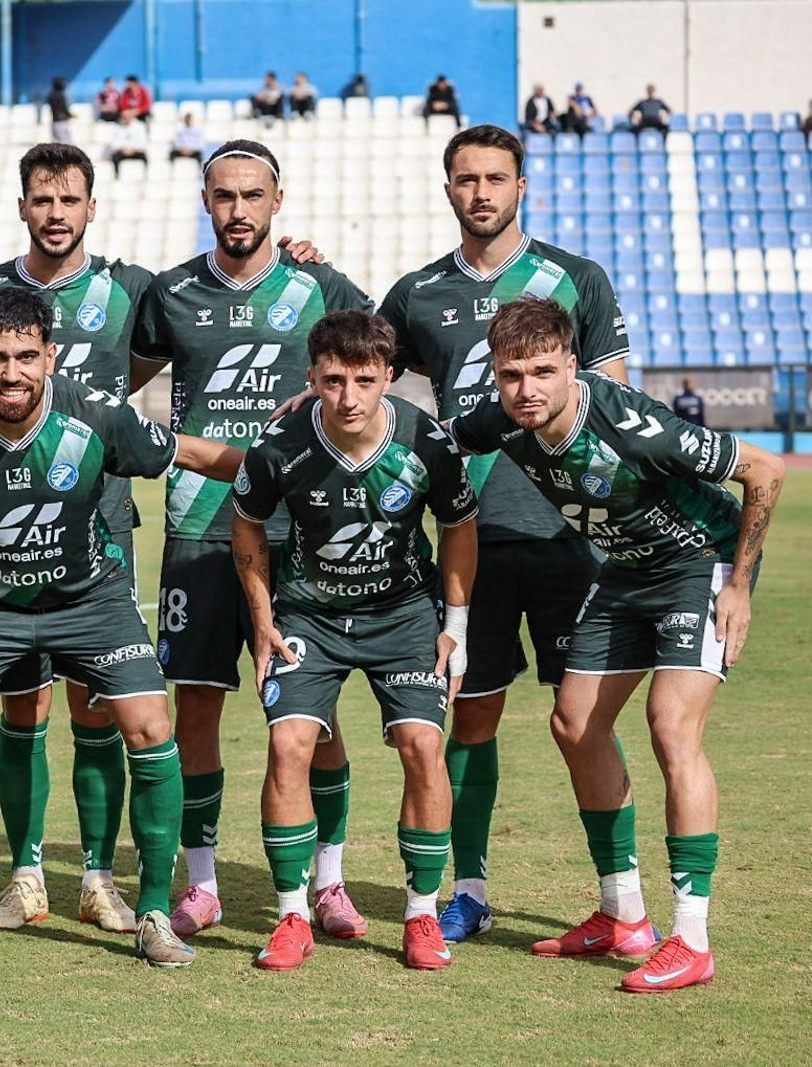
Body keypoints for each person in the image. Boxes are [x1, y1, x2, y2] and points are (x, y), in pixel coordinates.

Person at [0, 287, 245, 971]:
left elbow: (188, 452)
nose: (11, 372)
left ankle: (155, 911)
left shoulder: (97, 417)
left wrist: (291, 461)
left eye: (26, 356)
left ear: (51, 356)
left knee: (152, 725)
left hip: (89, 601)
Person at [449, 297, 783, 993]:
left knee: (671, 726)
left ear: (572, 364)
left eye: (543, 370)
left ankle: (691, 937)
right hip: (627, 572)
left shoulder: (634, 425)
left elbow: (764, 470)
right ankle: (623, 913)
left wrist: (740, 586)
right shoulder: (502, 419)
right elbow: (435, 437)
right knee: (574, 722)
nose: (527, 389)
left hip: (700, 565)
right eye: (512, 374)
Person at [376, 124, 633, 947]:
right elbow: (363, 367)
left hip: (572, 535)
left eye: (495, 178)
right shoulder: (417, 293)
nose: (480, 192)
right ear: (446, 188)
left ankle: (617, 900)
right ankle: (472, 889)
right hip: (470, 537)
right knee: (470, 714)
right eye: (464, 179)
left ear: (523, 185)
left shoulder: (577, 279)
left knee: (582, 720)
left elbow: (617, 400)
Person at [129, 139, 375, 943]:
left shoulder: (318, 286)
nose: (238, 209)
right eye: (224, 196)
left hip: (300, 536)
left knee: (317, 714)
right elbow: (116, 380)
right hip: (198, 527)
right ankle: (201, 885)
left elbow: (373, 358)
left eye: (253, 195)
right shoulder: (170, 295)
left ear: (278, 199)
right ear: (207, 202)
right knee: (195, 705)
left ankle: (328, 881)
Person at [0, 143, 159, 935]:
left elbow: (183, 334)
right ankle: (26, 874)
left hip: (99, 522)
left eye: (70, 200)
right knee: (24, 707)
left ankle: (97, 877)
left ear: (92, 207)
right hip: (1, 528)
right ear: (22, 206)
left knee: (99, 709)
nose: (56, 213)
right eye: (42, 200)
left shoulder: (132, 291)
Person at [231, 310, 478, 972]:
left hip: (402, 615)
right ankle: (291, 914)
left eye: (364, 380)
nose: (347, 397)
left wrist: (454, 624)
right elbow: (247, 523)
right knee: (289, 743)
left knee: (423, 744)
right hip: (309, 616)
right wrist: (262, 619)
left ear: (389, 378)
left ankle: (422, 914)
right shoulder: (280, 440)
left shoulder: (425, 440)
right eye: (332, 379)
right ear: (311, 375)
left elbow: (459, 525)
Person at [106, 111, 148, 177]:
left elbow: (143, 143)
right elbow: (113, 144)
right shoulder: (117, 127)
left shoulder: (140, 126)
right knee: (115, 157)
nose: (126, 118)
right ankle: (117, 175)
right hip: (122, 152)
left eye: (128, 116)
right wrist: (123, 149)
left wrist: (133, 149)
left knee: (144, 157)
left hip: (135, 151)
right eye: (124, 117)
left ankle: (145, 175)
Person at [46, 77, 73, 144]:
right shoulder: (61, 96)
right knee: (66, 144)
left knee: (55, 145)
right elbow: (63, 109)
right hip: (61, 122)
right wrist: (71, 115)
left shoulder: (50, 95)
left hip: (54, 122)